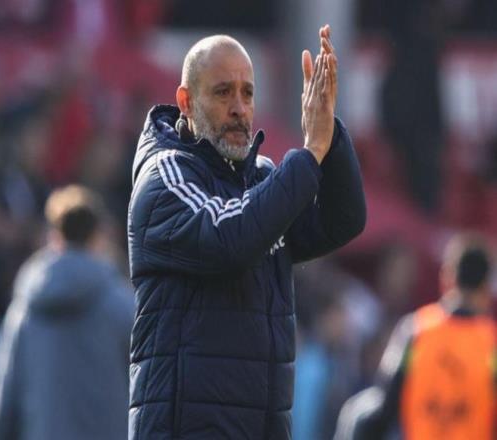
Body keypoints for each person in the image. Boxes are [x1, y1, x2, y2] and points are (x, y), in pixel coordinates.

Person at [127, 25, 366, 439]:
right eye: (223, 93)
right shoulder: (165, 177)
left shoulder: (261, 179)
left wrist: (328, 133)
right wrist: (310, 153)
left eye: (248, 93)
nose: (239, 108)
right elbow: (231, 237)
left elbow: (341, 220)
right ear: (186, 101)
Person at [0, 185, 134, 440]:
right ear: (97, 236)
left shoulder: (25, 310)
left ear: (53, 235)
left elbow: (7, 396)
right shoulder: (121, 303)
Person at [334, 234, 497, 440]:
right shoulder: (491, 342)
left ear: (447, 277)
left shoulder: (415, 330)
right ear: (486, 287)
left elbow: (385, 403)